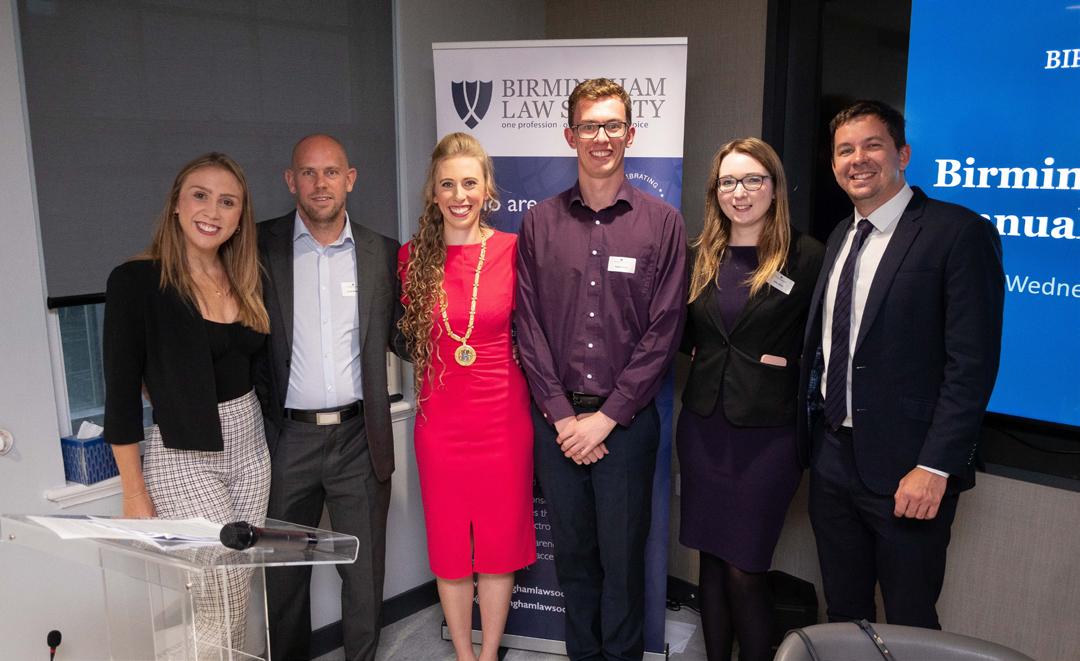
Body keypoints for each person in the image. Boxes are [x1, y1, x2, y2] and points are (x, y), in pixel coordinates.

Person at [799, 100, 1004, 628]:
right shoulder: (840, 236)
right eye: (845, 150)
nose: (858, 159)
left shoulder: (957, 233)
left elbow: (972, 365)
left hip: (909, 467)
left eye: (873, 145)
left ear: (903, 154)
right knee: (844, 613)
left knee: (910, 620)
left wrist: (935, 467)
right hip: (832, 457)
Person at [515, 78, 687, 661]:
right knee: (574, 563)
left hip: (627, 428)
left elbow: (664, 331)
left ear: (630, 134)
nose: (601, 137)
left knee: (624, 565)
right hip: (557, 427)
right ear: (570, 136)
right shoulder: (538, 223)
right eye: (589, 125)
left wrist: (607, 418)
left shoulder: (663, 224)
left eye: (612, 125)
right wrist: (564, 418)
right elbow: (528, 327)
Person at [104, 152, 271, 652]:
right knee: (219, 588)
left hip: (251, 452)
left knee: (237, 584)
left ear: (240, 217)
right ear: (176, 204)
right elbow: (120, 395)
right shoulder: (137, 281)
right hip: (183, 455)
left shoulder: (245, 277)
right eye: (200, 196)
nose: (212, 211)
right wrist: (133, 492)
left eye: (227, 202)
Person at [256, 134, 402, 660]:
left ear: (350, 179)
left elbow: (405, 337)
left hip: (360, 439)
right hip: (285, 442)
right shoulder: (257, 246)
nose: (321, 184)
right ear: (290, 180)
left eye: (332, 172)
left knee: (363, 574)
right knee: (283, 576)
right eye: (309, 172)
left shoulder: (383, 253)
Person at [678, 138, 824, 661]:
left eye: (752, 180)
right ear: (715, 191)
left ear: (774, 187)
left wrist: (786, 365)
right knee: (711, 562)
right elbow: (681, 332)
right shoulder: (699, 255)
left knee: (746, 566)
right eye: (728, 182)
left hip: (768, 435)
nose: (740, 193)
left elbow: (827, 341)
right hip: (704, 428)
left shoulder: (808, 257)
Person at [397, 132, 535, 661]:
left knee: (497, 547)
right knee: (451, 547)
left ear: (487, 190)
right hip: (440, 423)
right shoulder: (411, 259)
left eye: (470, 183)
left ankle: (489, 652)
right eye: (448, 184)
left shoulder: (513, 251)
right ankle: (462, 654)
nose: (460, 195)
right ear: (433, 193)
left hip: (503, 421)